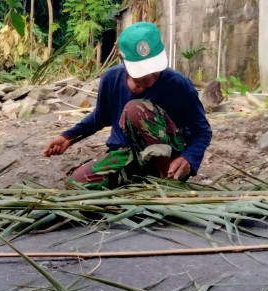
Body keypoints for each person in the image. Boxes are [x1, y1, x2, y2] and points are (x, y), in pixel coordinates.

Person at [43, 22, 212, 189]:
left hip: (170, 159)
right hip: (128, 156)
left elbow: (202, 131)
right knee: (75, 184)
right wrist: (68, 137)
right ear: (123, 62)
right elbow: (100, 117)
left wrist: (189, 158)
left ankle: (165, 180)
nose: (150, 77)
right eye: (142, 71)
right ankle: (141, 181)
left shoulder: (179, 84)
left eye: (154, 69)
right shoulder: (111, 78)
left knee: (134, 109)